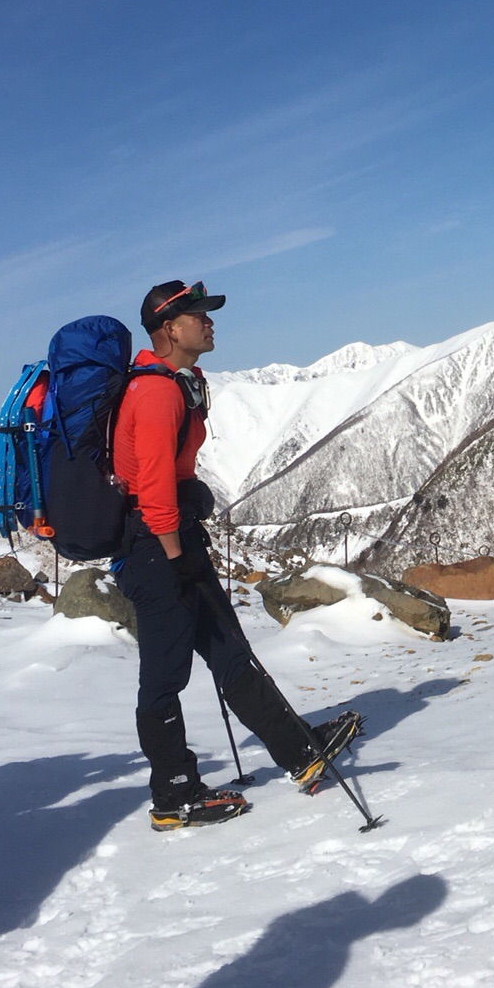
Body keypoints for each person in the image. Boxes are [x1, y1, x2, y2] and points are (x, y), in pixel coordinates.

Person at [112, 280, 360, 830]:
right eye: (197, 315)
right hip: (155, 551)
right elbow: (150, 488)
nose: (209, 321)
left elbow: (170, 476)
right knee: (164, 676)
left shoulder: (178, 383)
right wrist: (177, 558)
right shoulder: (154, 393)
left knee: (230, 652)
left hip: (173, 543)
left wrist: (189, 504)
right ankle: (173, 794)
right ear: (169, 328)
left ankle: (299, 751)